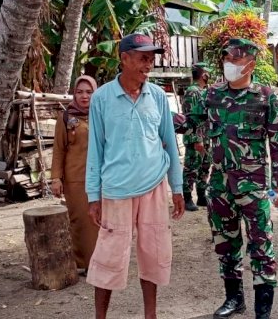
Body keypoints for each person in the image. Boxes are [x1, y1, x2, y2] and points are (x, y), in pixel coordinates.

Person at [176, 38, 278, 319]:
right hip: (219, 185)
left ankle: (263, 310)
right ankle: (234, 299)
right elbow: (190, 122)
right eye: (226, 59)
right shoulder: (211, 94)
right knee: (225, 244)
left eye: (235, 60)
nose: (228, 64)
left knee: (261, 244)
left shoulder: (264, 96)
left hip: (254, 185)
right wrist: (159, 115)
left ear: (250, 64)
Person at [85, 33, 185, 319]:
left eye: (151, 58)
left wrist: (176, 188)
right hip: (116, 189)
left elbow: (169, 140)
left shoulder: (157, 96)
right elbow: (96, 150)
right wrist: (94, 196)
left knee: (152, 252)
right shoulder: (102, 98)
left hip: (154, 185)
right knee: (109, 256)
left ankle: (150, 315)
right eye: (142, 58)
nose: (148, 64)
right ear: (124, 58)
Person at [50, 75, 99, 273]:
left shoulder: (101, 114)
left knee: (100, 222)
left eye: (89, 92)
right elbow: (58, 149)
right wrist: (56, 178)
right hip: (75, 179)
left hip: (100, 178)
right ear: (74, 94)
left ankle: (98, 263)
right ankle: (83, 263)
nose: (84, 96)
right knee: (80, 221)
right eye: (79, 92)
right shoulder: (66, 117)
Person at [181, 62, 211, 211]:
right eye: (207, 72)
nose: (209, 75)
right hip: (196, 137)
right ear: (203, 74)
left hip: (205, 136)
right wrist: (196, 139)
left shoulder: (202, 90)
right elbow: (191, 118)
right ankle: (187, 198)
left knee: (204, 167)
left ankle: (201, 195)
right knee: (191, 168)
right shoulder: (193, 92)